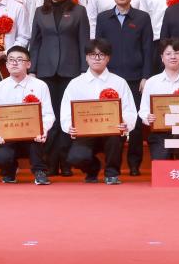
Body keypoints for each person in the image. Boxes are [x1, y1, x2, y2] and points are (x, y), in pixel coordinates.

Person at [29, 0, 90, 175]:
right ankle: (49, 161)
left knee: (67, 115)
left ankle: (66, 161)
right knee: (49, 116)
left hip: (71, 71)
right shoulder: (40, 12)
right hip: (45, 71)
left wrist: (84, 71)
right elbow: (35, 43)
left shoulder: (79, 11)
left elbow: (84, 42)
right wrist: (32, 70)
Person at [59, 38, 137, 185]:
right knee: (75, 158)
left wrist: (125, 123)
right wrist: (70, 126)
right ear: (86, 58)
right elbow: (66, 112)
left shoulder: (119, 82)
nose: (97, 58)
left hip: (111, 133)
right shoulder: (75, 84)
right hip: (86, 133)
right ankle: (93, 168)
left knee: (115, 137)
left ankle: (112, 173)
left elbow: (129, 110)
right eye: (92, 54)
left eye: (101, 55)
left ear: (108, 58)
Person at [95, 0, 152, 176]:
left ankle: (134, 163)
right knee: (111, 121)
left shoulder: (142, 18)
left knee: (134, 122)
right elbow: (98, 50)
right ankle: (113, 164)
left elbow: (148, 49)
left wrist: (146, 76)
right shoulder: (103, 18)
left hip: (135, 78)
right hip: (110, 78)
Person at [0, 45, 55, 185]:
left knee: (39, 136)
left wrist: (43, 129)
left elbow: (48, 114)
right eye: (11, 60)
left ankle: (40, 171)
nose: (14, 63)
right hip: (9, 135)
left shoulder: (40, 85)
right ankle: (10, 170)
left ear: (28, 64)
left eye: (19, 59)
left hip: (34, 136)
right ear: (6, 64)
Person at [139, 38, 179, 160]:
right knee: (161, 165)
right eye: (168, 54)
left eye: (177, 53)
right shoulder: (151, 82)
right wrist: (148, 117)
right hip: (160, 133)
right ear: (162, 57)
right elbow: (143, 110)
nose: (173, 57)